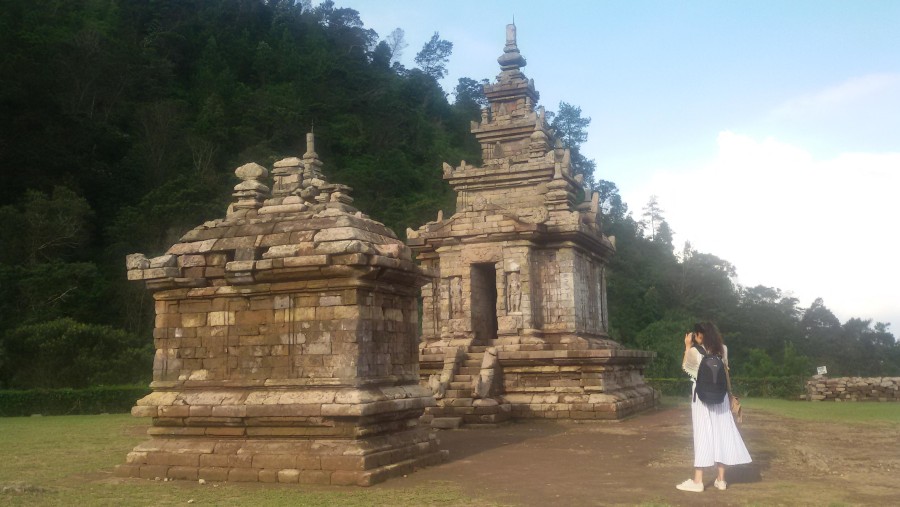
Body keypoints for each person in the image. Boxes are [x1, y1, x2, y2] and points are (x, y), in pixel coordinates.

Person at [676, 322, 751, 493]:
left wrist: (687, 346)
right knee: (722, 434)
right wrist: (730, 395)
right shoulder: (723, 349)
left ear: (699, 335)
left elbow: (685, 367)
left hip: (701, 399)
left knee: (702, 434)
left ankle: (698, 481)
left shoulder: (696, 351)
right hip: (721, 397)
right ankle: (721, 480)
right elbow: (725, 373)